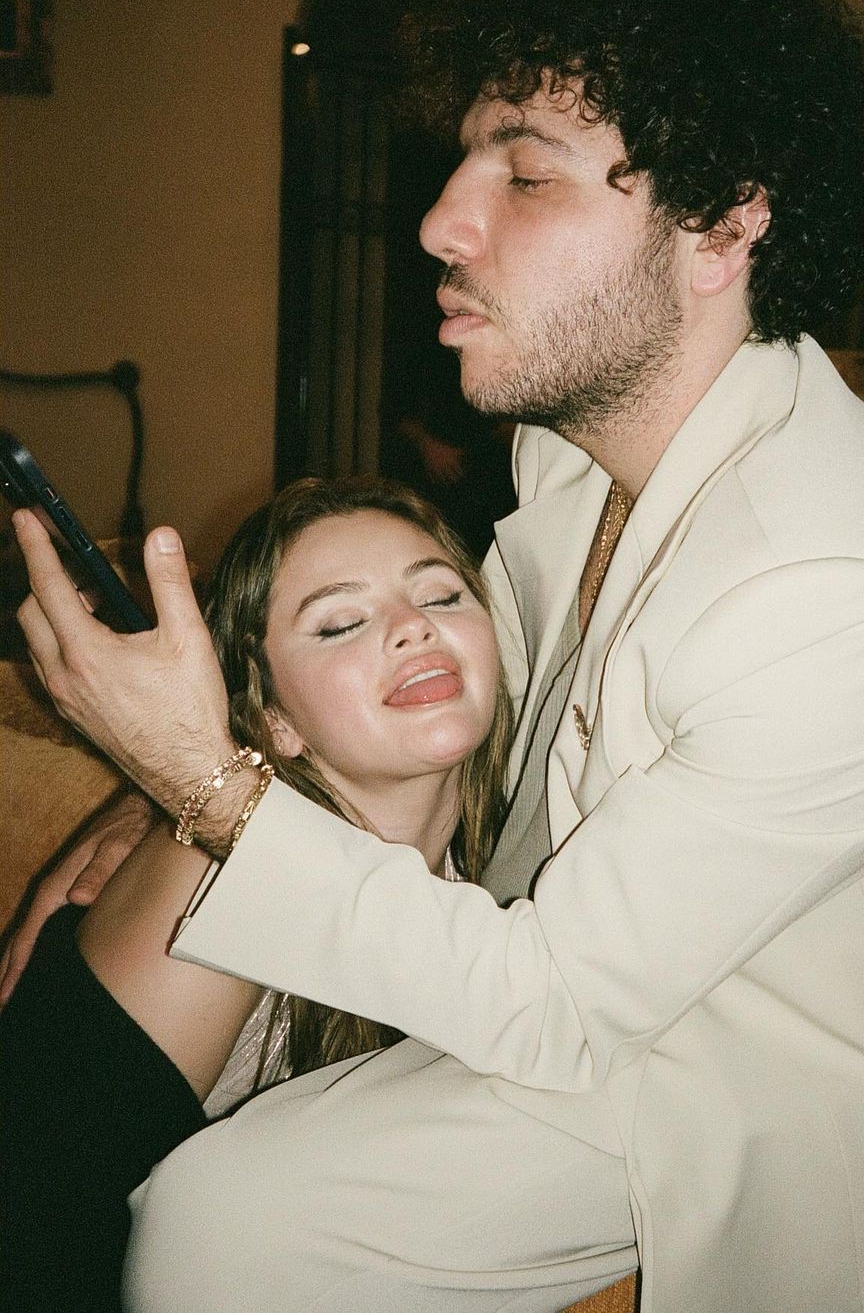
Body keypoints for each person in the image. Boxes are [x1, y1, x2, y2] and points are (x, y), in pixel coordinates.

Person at [9, 0, 864, 1308]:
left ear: (719, 226)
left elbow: (556, 1005)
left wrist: (205, 784)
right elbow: (480, 691)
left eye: (524, 175)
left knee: (218, 1221)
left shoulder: (853, 592)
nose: (441, 222)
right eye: (465, 160)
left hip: (762, 1075)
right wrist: (188, 775)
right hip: (591, 969)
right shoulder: (574, 453)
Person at [0, 477, 511, 1312]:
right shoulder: (211, 873)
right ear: (275, 720)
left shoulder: (507, 863)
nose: (413, 625)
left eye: (440, 596)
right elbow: (41, 1220)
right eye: (340, 622)